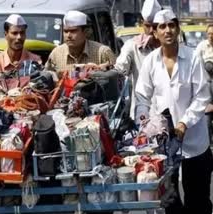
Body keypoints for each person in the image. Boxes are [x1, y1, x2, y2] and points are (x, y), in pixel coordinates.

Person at [135, 9, 213, 214]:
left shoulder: (193, 57)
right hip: (165, 144)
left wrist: (184, 123)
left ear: (178, 29)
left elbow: (203, 96)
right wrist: (144, 122)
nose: (168, 30)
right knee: (169, 202)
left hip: (195, 142)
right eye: (162, 26)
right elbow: (142, 96)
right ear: (155, 32)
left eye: (172, 25)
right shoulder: (151, 61)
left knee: (199, 201)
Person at [115, 0, 161, 119]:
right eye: (147, 26)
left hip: (171, 112)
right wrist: (107, 69)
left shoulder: (172, 48)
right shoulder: (133, 46)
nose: (151, 30)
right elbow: (120, 68)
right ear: (141, 24)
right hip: (143, 113)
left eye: (155, 26)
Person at [45, 10, 116, 76]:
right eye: (65, 31)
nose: (68, 36)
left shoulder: (102, 52)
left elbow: (118, 80)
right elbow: (47, 77)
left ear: (85, 32)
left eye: (73, 31)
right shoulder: (56, 53)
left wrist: (100, 70)